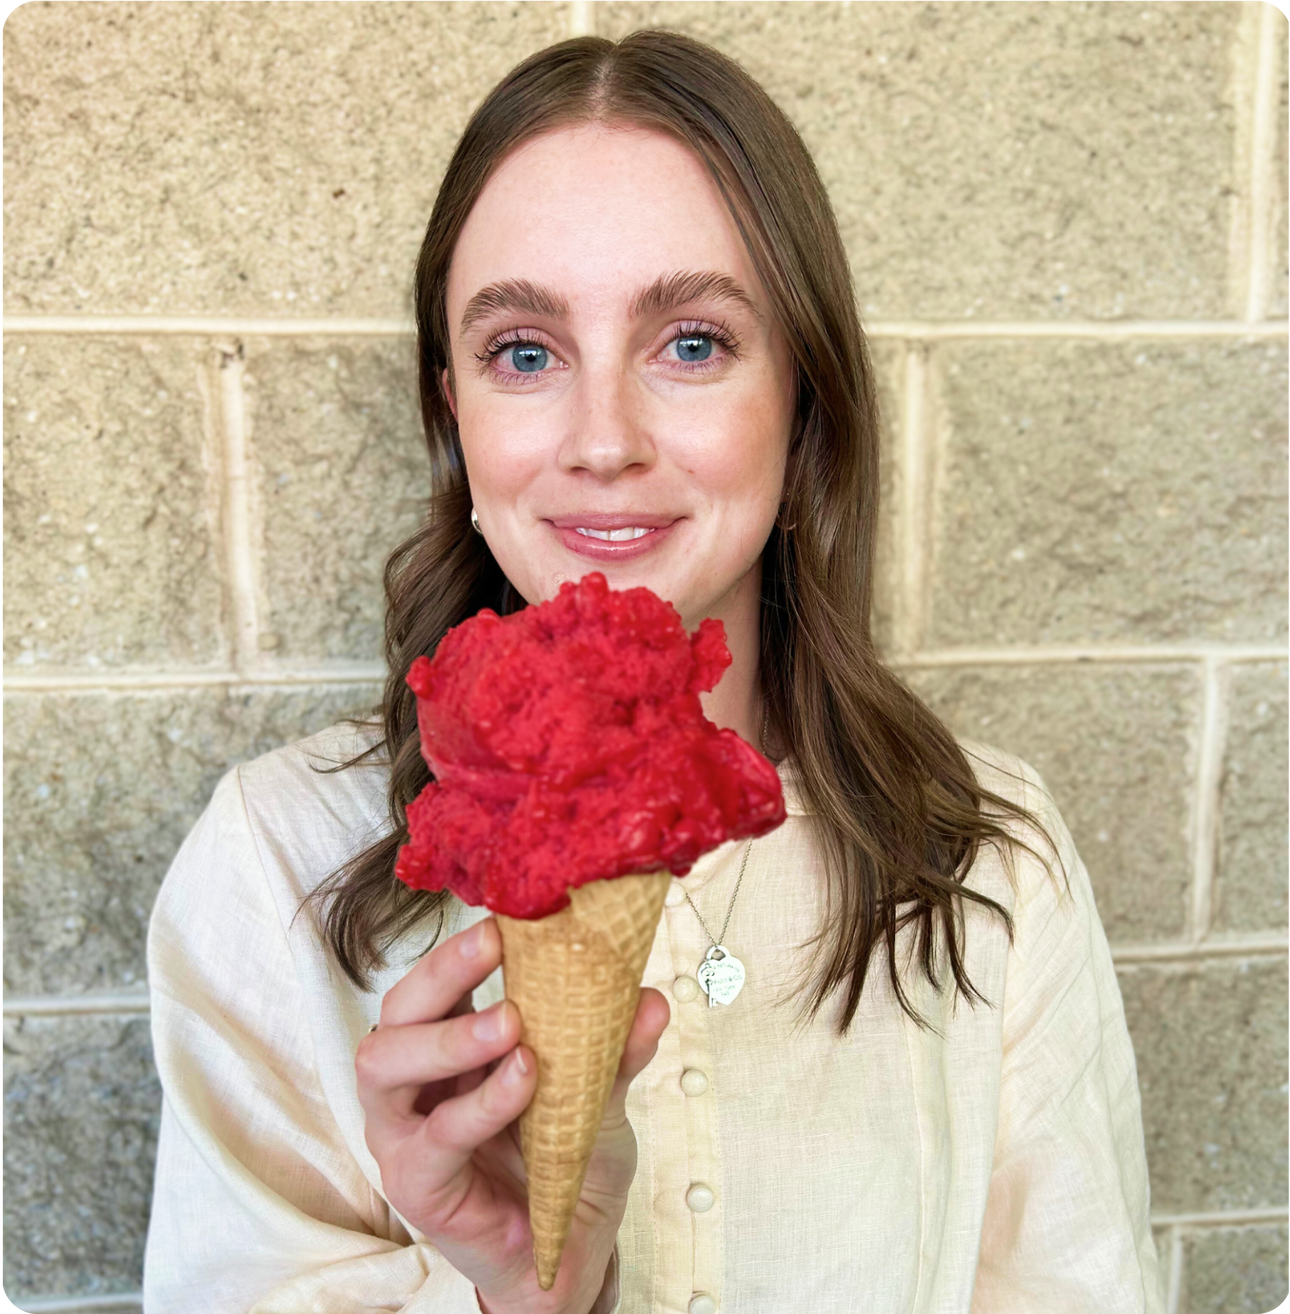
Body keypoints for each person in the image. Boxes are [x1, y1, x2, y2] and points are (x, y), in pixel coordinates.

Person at [143, 30, 1165, 1314]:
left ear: (804, 407)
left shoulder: (994, 860)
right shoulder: (273, 863)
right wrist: (522, 1294)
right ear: (452, 409)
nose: (606, 440)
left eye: (691, 342)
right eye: (525, 351)